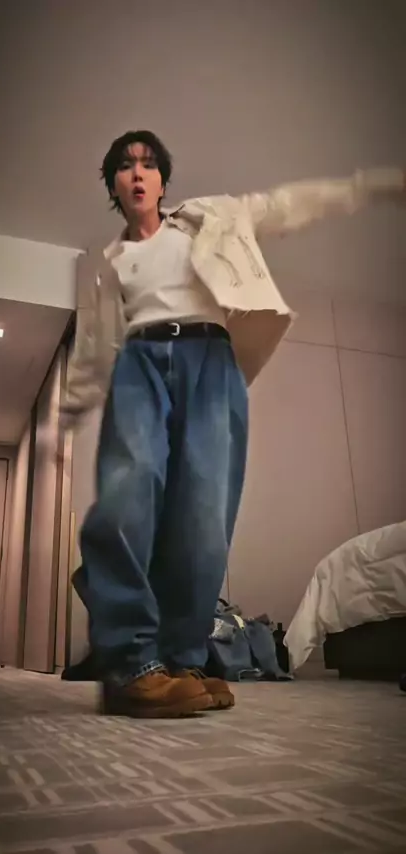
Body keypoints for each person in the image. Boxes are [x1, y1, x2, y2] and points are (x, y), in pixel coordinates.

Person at [61, 129, 405, 718]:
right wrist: (63, 420)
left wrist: (368, 186)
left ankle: (180, 660)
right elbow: (94, 350)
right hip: (140, 361)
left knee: (203, 517)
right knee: (126, 495)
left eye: (148, 164)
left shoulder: (210, 218)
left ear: (163, 181)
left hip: (211, 361)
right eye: (124, 166)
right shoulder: (110, 263)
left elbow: (287, 205)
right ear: (114, 186)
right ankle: (128, 664)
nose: (137, 173)